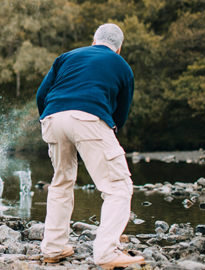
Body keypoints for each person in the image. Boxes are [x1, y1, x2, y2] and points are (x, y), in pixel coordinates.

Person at [36, 24, 145, 269]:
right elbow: (120, 113)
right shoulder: (122, 66)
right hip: (89, 118)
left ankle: (53, 248)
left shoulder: (67, 57)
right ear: (119, 48)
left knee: (61, 181)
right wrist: (107, 132)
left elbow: (42, 94)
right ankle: (106, 253)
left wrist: (51, 119)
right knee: (118, 187)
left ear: (94, 40)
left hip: (52, 117)